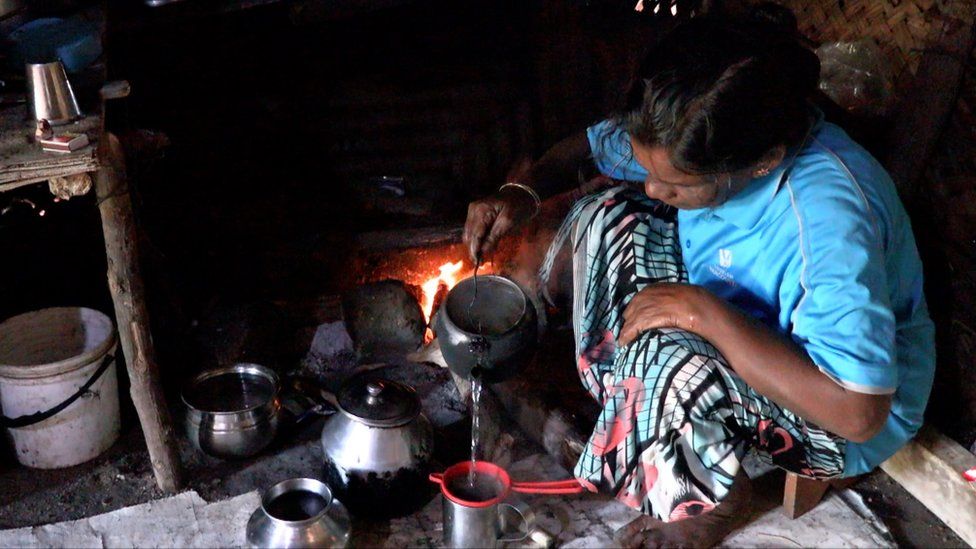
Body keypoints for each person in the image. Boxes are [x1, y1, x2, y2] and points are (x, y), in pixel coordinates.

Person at [462, 12, 935, 548]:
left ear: (764, 163)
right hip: (734, 304)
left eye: (676, 184)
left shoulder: (827, 220)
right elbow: (592, 150)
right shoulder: (695, 133)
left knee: (667, 359)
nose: (654, 187)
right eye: (649, 168)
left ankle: (711, 501)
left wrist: (701, 315)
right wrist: (522, 192)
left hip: (829, 409)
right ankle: (657, 411)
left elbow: (859, 412)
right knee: (608, 212)